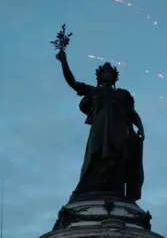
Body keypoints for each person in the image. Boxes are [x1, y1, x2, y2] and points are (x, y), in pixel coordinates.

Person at [56, 48, 146, 201]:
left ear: (114, 77)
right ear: (99, 76)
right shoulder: (93, 91)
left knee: (118, 156)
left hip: (119, 128)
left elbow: (131, 113)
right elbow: (73, 83)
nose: (107, 74)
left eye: (110, 72)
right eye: (104, 72)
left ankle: (116, 189)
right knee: (95, 152)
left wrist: (141, 127)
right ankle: (90, 187)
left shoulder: (122, 94)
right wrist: (64, 63)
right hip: (99, 126)